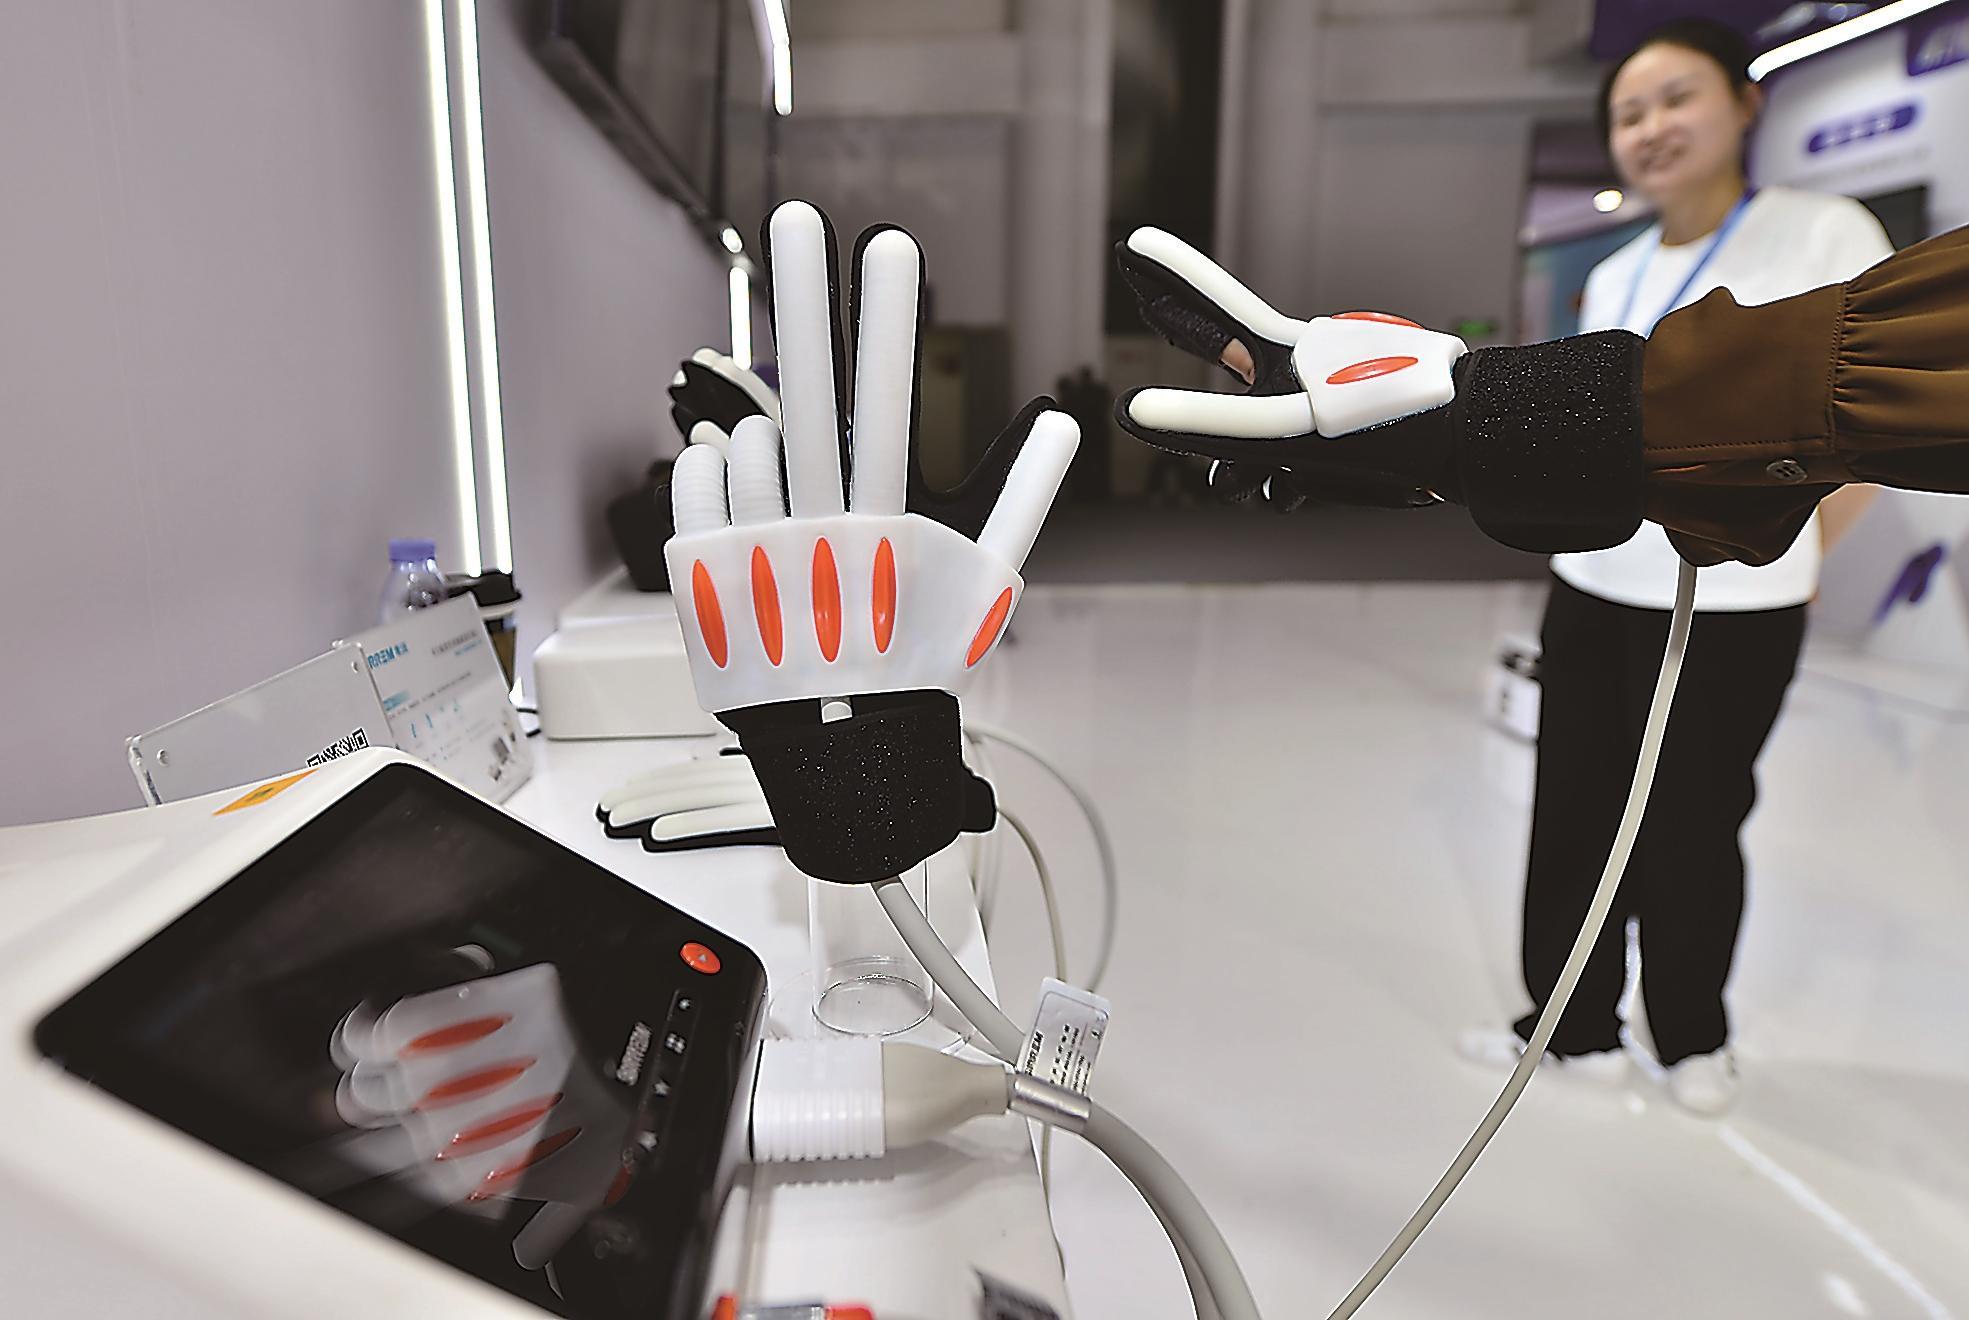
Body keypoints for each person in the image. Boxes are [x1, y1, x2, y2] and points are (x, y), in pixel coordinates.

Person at [1445, 20, 1892, 1113]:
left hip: (1732, 604)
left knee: (1695, 816)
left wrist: (1792, 552)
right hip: (1593, 588)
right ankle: (1568, 1025)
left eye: (1675, 98)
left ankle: (1690, 1035)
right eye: (1627, 114)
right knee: (1572, 811)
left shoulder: (1822, 234)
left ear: (1745, 102)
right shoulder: (1614, 275)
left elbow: (1870, 426)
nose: (1650, 128)